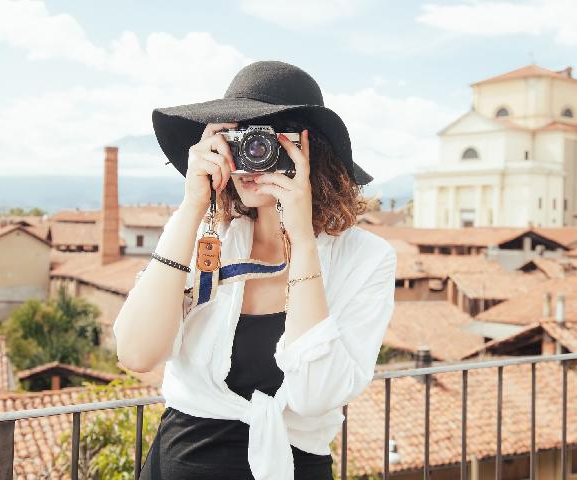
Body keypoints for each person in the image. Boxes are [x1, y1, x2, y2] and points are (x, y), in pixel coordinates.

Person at [113, 61, 397, 480]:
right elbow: (136, 353)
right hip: (181, 462)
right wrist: (192, 204)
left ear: (308, 149)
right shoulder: (204, 234)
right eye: (235, 138)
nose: (250, 155)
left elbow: (315, 395)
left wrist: (301, 241)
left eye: (265, 139)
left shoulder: (367, 259)